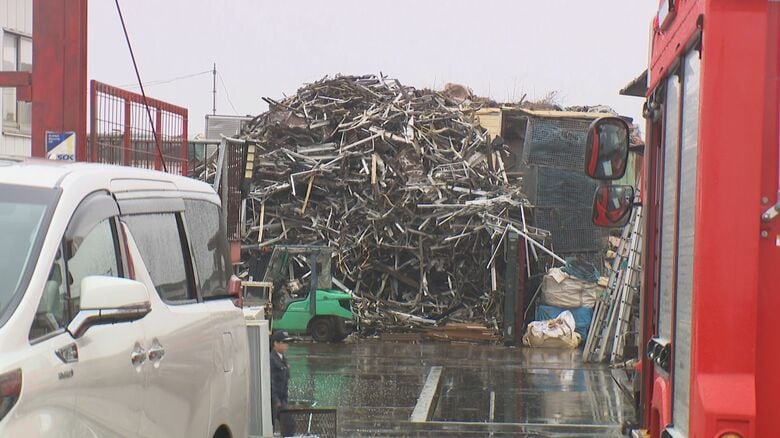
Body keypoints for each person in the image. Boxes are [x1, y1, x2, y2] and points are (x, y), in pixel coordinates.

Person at [269, 330, 292, 431]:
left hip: (282, 400)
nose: (287, 345)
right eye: (284, 342)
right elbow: (271, 382)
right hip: (275, 401)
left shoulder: (283, 359)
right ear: (275, 343)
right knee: (273, 426)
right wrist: (276, 400)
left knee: (289, 426)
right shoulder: (272, 359)